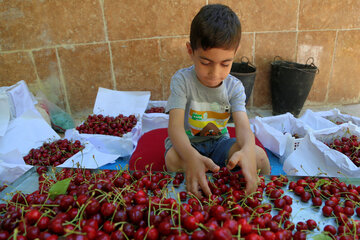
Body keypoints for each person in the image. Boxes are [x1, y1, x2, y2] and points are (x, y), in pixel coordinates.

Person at [164, 4, 270, 198]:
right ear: (190, 50)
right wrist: (191, 157)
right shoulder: (181, 81)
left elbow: (244, 128)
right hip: (188, 144)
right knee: (172, 159)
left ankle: (260, 194)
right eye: (205, 63)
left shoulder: (235, 87)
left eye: (225, 63)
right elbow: (175, 129)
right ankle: (201, 167)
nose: (215, 73)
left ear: (235, 52)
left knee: (260, 157)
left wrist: (246, 151)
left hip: (219, 143)